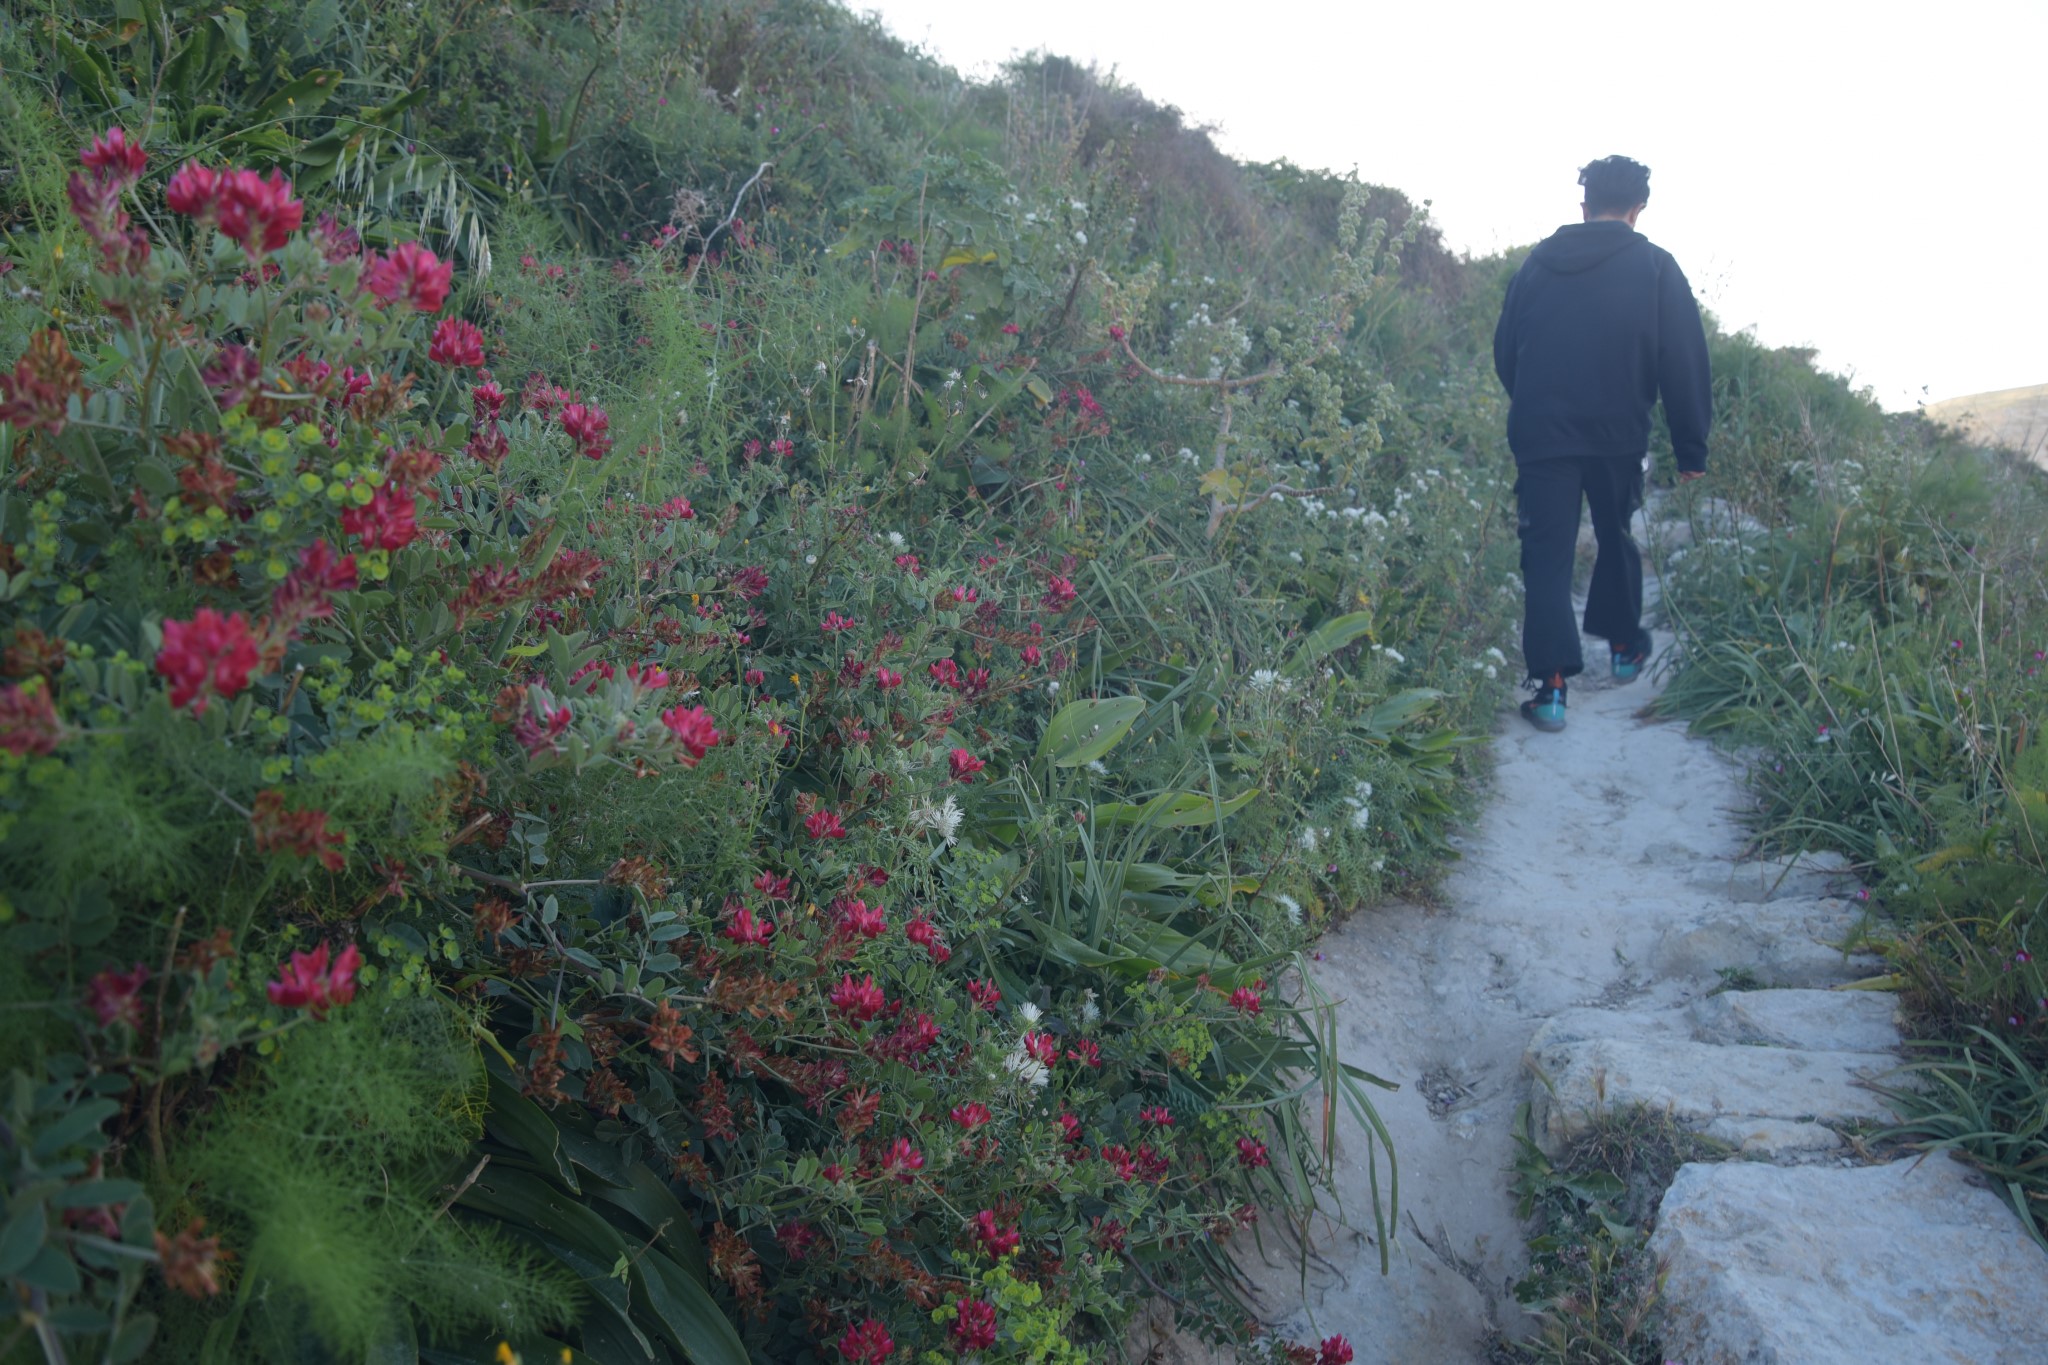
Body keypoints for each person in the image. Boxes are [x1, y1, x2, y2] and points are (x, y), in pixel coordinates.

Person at [1491, 155, 1711, 732]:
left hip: (1543, 433)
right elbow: (1684, 360)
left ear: (1584, 205)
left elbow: (1506, 349)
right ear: (1638, 209)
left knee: (1546, 554)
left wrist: (1535, 405)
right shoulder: (1656, 267)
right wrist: (1691, 448)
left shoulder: (1538, 263)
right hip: (1618, 435)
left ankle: (1550, 690)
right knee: (1616, 534)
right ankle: (1622, 648)